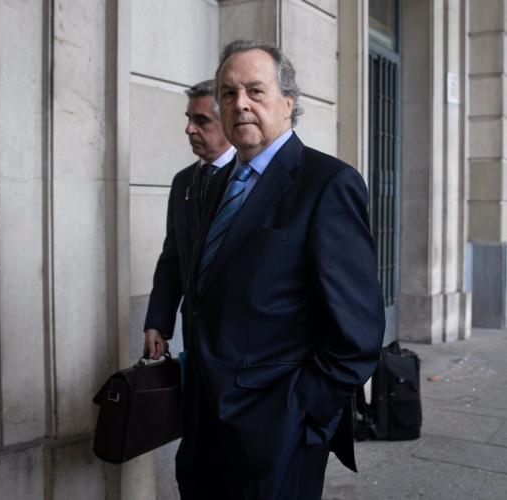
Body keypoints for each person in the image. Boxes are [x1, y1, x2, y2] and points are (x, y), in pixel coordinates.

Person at [167, 40, 386, 499]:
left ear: (288, 102)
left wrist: (299, 410)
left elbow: (358, 333)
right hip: (205, 422)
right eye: (228, 93)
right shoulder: (218, 183)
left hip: (277, 431)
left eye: (255, 90)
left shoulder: (327, 184)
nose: (240, 103)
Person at [144, 79, 234, 356]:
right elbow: (173, 258)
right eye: (189, 119)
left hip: (239, 338)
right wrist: (158, 322)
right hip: (194, 334)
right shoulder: (183, 181)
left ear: (228, 122)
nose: (189, 129)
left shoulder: (249, 178)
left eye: (201, 120)